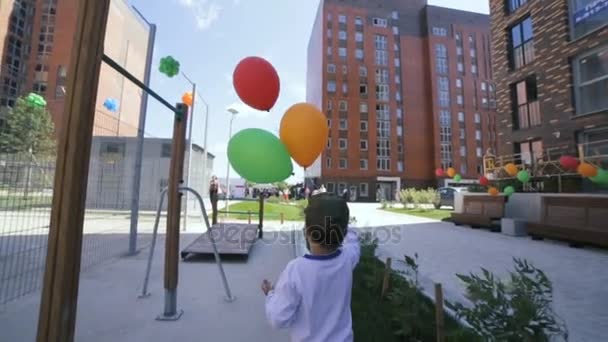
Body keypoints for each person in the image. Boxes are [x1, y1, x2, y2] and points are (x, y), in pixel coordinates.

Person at [262, 193, 360, 342]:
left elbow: (278, 318)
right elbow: (353, 239)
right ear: (344, 232)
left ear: (306, 232)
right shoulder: (348, 257)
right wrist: (338, 217)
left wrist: (271, 295)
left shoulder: (296, 270)